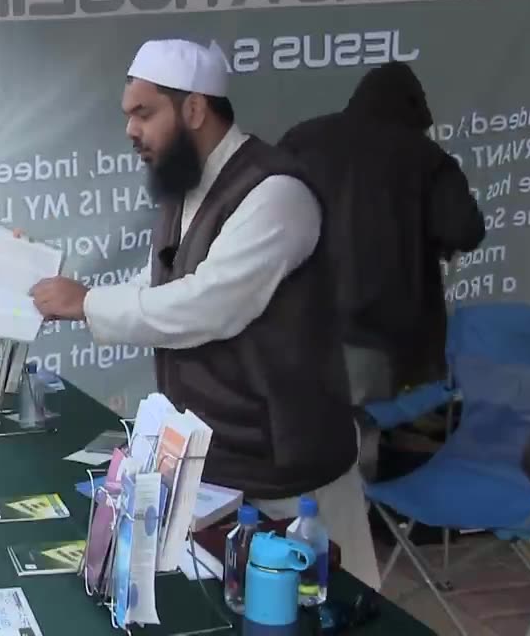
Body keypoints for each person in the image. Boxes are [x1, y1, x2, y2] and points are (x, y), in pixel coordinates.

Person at [29, 39, 381, 588]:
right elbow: (160, 282)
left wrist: (87, 303)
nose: (130, 130)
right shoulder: (186, 186)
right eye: (128, 115)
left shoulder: (276, 192)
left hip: (288, 467)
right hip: (220, 461)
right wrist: (80, 299)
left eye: (144, 113)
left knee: (318, 604)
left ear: (194, 109)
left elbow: (209, 305)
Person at [278, 62, 485, 405]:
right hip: (381, 334)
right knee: (368, 435)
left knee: (303, 435)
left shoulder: (303, 140)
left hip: (298, 324)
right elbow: (464, 230)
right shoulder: (426, 158)